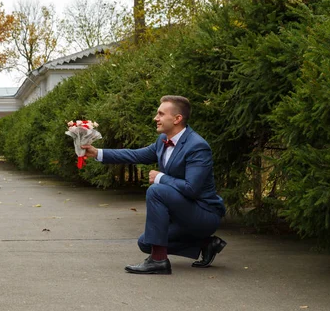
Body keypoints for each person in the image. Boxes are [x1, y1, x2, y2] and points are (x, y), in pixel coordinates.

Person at [82, 95, 226, 275]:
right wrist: (97, 153)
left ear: (177, 119)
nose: (155, 118)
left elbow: (192, 188)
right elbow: (135, 155)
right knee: (146, 243)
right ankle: (206, 244)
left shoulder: (197, 146)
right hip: (182, 214)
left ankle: (158, 261)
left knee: (156, 190)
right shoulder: (162, 141)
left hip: (204, 214)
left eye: (160, 114)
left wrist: (160, 178)